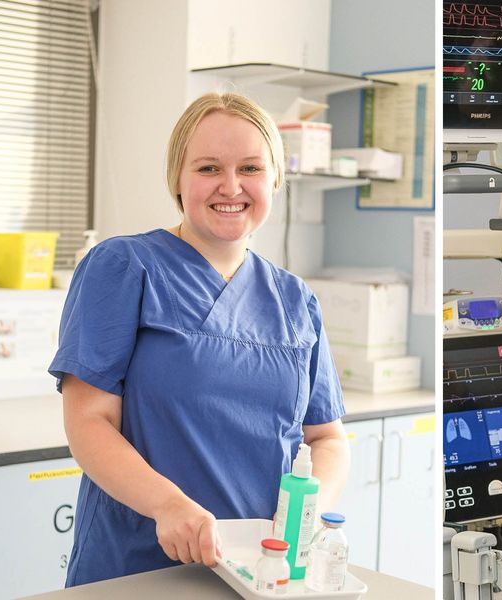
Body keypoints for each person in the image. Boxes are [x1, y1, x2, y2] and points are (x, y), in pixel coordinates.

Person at [50, 92, 351, 586]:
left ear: (275, 179)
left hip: (261, 570)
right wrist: (168, 506)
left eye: (251, 168)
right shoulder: (125, 267)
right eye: (209, 168)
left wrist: (310, 516)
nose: (230, 186)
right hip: (138, 565)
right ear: (177, 179)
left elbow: (327, 437)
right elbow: (88, 422)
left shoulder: (295, 300)